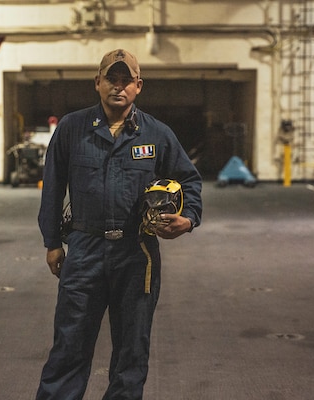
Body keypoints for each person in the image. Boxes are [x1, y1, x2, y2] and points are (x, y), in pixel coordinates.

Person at [36, 49, 202, 400]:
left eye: (127, 80)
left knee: (131, 352)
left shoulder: (156, 134)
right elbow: (52, 188)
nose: (119, 86)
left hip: (136, 253)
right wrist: (53, 241)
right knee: (69, 346)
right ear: (97, 83)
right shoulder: (72, 128)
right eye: (112, 78)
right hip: (84, 250)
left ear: (139, 86)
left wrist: (187, 220)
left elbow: (190, 180)